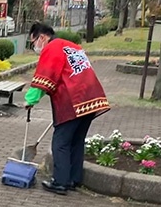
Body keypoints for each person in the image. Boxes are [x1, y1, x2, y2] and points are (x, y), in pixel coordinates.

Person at [25, 22, 109, 196]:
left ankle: (60, 182)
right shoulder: (72, 46)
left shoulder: (52, 47)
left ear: (41, 37)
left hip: (73, 100)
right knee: (77, 141)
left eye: (33, 43)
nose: (35, 47)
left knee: (61, 143)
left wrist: (30, 100)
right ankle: (73, 179)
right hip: (91, 98)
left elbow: (45, 75)